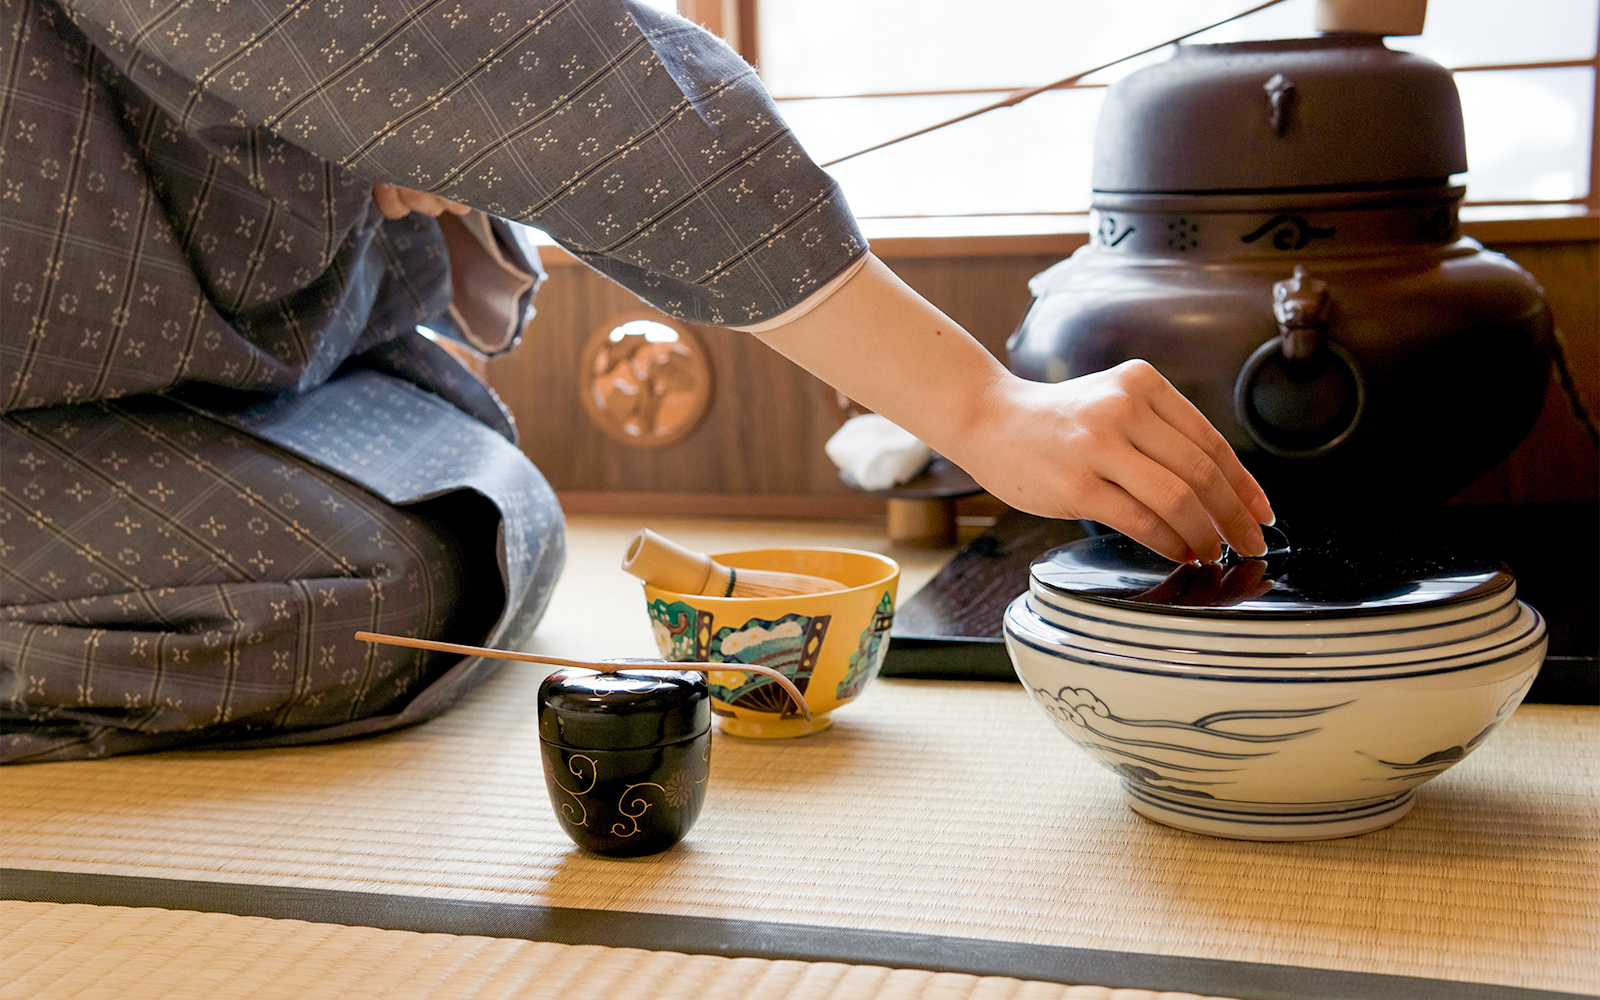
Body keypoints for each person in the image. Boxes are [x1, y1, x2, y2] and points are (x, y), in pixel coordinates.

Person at [0, 0, 1271, 763]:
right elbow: (561, 67)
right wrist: (984, 410)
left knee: (473, 500)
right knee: (369, 584)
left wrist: (361, 124)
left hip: (172, 378)